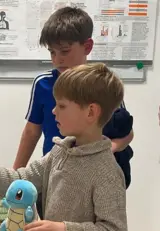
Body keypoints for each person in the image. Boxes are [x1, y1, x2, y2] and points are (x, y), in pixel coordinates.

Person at [0, 63, 128, 231]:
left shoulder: (106, 172)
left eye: (62, 106)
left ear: (91, 112)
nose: (53, 111)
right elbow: (19, 182)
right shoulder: (58, 152)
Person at [12, 6, 134, 218]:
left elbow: (127, 132)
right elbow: (31, 132)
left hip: (93, 177)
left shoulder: (103, 84)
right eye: (52, 52)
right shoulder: (43, 84)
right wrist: (16, 177)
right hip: (54, 172)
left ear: (87, 46)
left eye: (65, 51)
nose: (57, 59)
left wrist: (109, 149)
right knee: (49, 230)